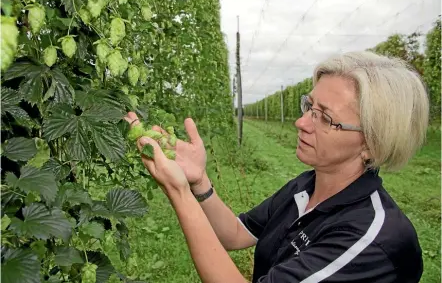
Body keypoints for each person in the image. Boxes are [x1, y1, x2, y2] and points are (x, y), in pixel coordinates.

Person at [124, 51, 429, 283]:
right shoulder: (306, 187)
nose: (300, 122)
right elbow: (237, 235)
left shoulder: (370, 238)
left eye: (324, 117)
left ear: (372, 145)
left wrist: (178, 192)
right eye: (309, 106)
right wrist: (198, 181)